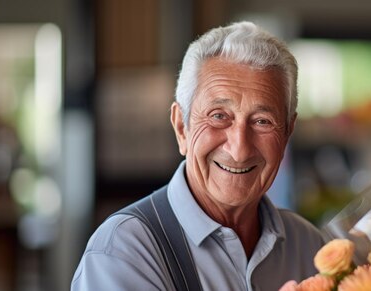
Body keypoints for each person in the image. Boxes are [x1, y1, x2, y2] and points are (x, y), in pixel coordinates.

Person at [71, 21, 326, 290]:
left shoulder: (310, 246)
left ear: (287, 132)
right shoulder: (125, 251)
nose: (239, 149)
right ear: (181, 127)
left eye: (262, 121)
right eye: (219, 116)